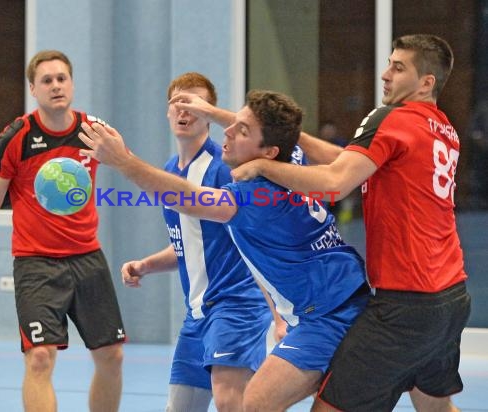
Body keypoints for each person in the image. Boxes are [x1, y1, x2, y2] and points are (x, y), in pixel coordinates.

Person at [78, 89, 370, 411]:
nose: (227, 131)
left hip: (328, 315)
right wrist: (212, 112)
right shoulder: (291, 160)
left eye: (242, 130)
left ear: (268, 152)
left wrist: (122, 160)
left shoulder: (254, 196)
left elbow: (185, 196)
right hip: (342, 300)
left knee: (255, 402)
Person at [226, 34, 471, 411]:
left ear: (427, 82)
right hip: (451, 295)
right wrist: (288, 136)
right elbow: (351, 161)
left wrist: (261, 165)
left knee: (330, 405)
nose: (385, 74)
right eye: (389, 63)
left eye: (398, 67)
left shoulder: (390, 118)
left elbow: (336, 181)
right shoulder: (443, 130)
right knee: (435, 406)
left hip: (406, 302)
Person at [0, 50, 126, 412]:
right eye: (47, 81)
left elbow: (129, 166)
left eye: (62, 78)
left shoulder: (95, 132)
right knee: (39, 358)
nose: (55, 86)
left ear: (72, 84)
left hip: (87, 258)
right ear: (33, 89)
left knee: (111, 355)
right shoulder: (16, 137)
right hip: (36, 263)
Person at [121, 72, 274, 412]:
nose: (184, 110)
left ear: (209, 113)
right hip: (198, 313)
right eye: (178, 102)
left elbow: (256, 239)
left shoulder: (225, 168)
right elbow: (192, 246)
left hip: (236, 305)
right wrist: (147, 264)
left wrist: (275, 310)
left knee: (229, 401)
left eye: (194, 103)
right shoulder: (170, 171)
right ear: (167, 111)